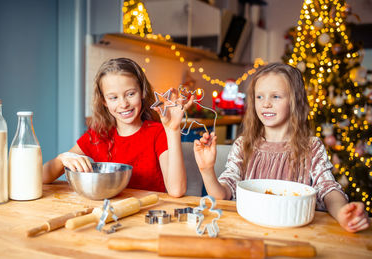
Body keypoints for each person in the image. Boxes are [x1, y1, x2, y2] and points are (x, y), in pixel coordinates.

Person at [194, 62, 370, 232]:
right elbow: (222, 195)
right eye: (259, 96)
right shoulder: (243, 145)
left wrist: (341, 213)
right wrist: (206, 169)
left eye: (276, 96)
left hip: (297, 234)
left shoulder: (311, 147)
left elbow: (328, 190)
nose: (266, 103)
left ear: (294, 101)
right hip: (248, 232)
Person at [43, 58, 193, 197]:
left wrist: (173, 130)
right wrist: (62, 158)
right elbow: (41, 177)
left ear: (142, 92)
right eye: (113, 97)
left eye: (130, 94)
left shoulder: (158, 133)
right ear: (104, 101)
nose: (123, 104)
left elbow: (176, 190)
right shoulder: (98, 135)